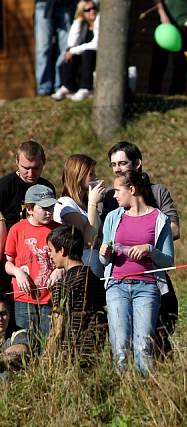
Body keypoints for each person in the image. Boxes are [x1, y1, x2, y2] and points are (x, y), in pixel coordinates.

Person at [101, 141, 181, 356]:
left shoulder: (157, 192)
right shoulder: (111, 198)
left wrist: (148, 239)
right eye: (113, 164)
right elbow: (104, 238)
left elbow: (174, 229)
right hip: (117, 280)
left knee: (153, 336)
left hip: (150, 275)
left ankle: (153, 378)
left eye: (122, 163)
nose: (118, 168)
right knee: (120, 342)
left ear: (138, 164)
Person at [0, 141, 54, 322]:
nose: (31, 173)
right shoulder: (5, 187)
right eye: (26, 168)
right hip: (9, 256)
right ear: (16, 161)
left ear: (43, 163)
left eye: (36, 168)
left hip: (38, 259)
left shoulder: (47, 189)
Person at [4, 185, 59, 341]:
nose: (49, 211)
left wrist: (59, 270)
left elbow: (67, 260)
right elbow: (8, 263)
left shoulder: (59, 230)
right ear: (29, 208)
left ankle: (47, 366)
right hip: (23, 297)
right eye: (44, 208)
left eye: (52, 207)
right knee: (27, 339)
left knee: (49, 340)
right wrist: (17, 272)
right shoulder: (17, 229)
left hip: (50, 297)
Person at [47, 225, 107, 366]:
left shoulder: (62, 284)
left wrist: (46, 359)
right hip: (95, 348)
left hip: (70, 354)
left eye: (50, 250)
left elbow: (58, 327)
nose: (50, 255)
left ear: (62, 251)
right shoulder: (94, 279)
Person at [53, 154, 104, 277]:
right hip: (80, 271)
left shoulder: (86, 205)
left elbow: (96, 236)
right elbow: (86, 241)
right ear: (78, 175)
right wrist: (93, 203)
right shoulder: (66, 203)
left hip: (94, 265)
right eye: (91, 174)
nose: (95, 177)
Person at [148, 0, 187, 95]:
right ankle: (153, 94)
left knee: (180, 65)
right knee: (158, 63)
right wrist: (162, 14)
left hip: (182, 27)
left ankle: (176, 95)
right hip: (164, 28)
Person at [51, 0, 99, 102]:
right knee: (69, 53)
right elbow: (71, 43)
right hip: (84, 59)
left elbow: (96, 44)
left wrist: (74, 50)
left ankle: (85, 88)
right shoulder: (82, 24)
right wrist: (78, 21)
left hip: (97, 57)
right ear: (82, 12)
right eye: (88, 10)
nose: (92, 11)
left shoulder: (99, 21)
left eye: (94, 8)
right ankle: (66, 87)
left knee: (86, 52)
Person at [34, 0, 75, 96]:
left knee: (65, 48)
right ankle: (43, 89)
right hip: (44, 5)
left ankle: (60, 85)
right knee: (43, 48)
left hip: (66, 6)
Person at [0, 299, 30, 378]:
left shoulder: (17, 332)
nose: (0, 319)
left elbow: (22, 348)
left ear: (9, 315)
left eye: (3, 314)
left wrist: (2, 358)